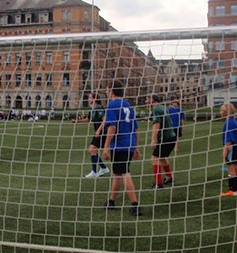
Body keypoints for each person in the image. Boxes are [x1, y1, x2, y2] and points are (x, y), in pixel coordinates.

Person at [102, 81, 142, 216]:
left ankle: (135, 205)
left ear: (112, 91)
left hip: (119, 145)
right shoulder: (128, 105)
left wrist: (106, 147)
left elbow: (112, 127)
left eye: (107, 89)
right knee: (117, 174)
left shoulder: (112, 105)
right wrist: (135, 147)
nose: (106, 92)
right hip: (129, 143)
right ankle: (111, 201)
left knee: (124, 173)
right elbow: (136, 128)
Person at [72, 92, 109, 178]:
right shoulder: (92, 108)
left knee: (92, 150)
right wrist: (76, 121)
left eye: (90, 97)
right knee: (92, 151)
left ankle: (95, 172)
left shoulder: (99, 108)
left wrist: (99, 130)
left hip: (103, 132)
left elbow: (105, 120)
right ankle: (103, 168)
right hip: (99, 132)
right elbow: (88, 120)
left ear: (94, 99)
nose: (89, 99)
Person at [149, 95, 177, 189]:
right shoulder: (163, 107)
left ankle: (158, 183)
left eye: (147, 99)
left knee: (154, 157)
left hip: (166, 138)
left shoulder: (156, 110)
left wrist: (153, 139)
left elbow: (156, 125)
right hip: (172, 136)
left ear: (152, 100)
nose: (145, 101)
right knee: (161, 157)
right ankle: (169, 177)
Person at [221, 102, 237, 196]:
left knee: (231, 167)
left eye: (222, 110)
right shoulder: (233, 121)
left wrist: (225, 149)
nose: (221, 112)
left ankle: (232, 190)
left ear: (226, 112)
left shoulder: (229, 122)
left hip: (232, 146)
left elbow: (229, 138)